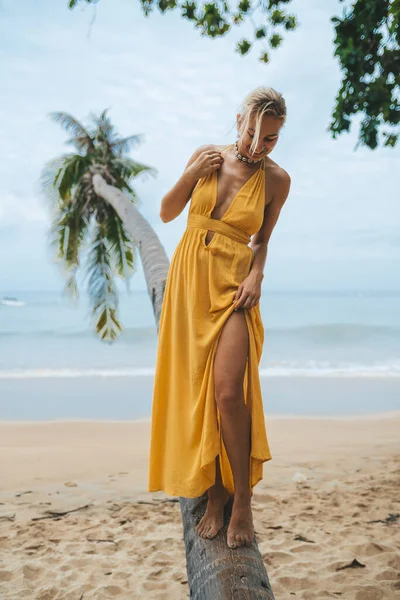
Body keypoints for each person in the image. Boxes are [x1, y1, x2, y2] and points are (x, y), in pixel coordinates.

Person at [148, 86, 291, 549]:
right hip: (190, 281)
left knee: (229, 392)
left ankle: (243, 503)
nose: (257, 145)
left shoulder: (277, 181)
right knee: (198, 389)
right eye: (252, 133)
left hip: (234, 286)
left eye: (269, 139)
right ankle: (215, 495)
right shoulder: (206, 156)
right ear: (238, 122)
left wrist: (258, 275)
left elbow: (263, 239)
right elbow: (168, 213)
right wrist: (191, 173)